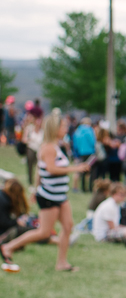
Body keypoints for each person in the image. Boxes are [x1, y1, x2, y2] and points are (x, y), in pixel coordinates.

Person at [1, 110, 90, 273]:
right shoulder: (49, 148)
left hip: (60, 195)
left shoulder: (56, 146)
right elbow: (50, 169)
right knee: (43, 232)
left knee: (68, 226)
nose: (65, 128)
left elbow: (39, 172)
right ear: (54, 129)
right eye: (62, 126)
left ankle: (62, 262)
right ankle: (8, 246)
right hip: (50, 196)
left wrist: (35, 189)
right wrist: (75, 168)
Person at [0, 178, 31, 245]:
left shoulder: (3, 195)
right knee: (23, 229)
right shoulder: (4, 201)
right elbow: (3, 222)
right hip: (2, 233)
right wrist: (17, 222)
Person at [71, 117, 96, 192]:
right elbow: (93, 141)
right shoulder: (89, 130)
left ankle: (83, 188)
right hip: (90, 152)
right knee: (91, 170)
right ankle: (90, 188)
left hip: (81, 152)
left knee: (83, 170)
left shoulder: (77, 131)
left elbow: (75, 144)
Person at [23, 113, 43, 187]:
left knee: (39, 167)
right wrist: (30, 140)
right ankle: (30, 182)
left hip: (39, 151)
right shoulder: (30, 129)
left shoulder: (42, 131)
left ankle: (38, 182)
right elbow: (24, 140)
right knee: (30, 166)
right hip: (31, 149)